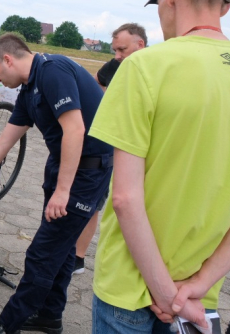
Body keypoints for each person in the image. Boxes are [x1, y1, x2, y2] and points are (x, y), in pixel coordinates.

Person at [89, 0, 230, 332]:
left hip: (128, 287)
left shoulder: (143, 66)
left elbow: (125, 198)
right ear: (225, 7)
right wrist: (197, 285)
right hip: (198, 294)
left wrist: (163, 291)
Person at [0, 34, 113, 334]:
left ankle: (5, 326)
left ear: (9, 60)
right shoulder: (28, 90)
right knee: (61, 250)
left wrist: (63, 191)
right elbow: (3, 143)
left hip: (86, 171)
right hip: (62, 165)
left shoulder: (53, 70)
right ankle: (50, 316)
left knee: (41, 253)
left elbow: (75, 129)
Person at [74, 22, 146, 274]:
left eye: (122, 49)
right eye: (115, 50)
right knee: (96, 199)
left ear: (141, 45)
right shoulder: (115, 65)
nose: (117, 56)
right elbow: (95, 84)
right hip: (109, 145)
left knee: (133, 203)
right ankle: (78, 258)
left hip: (141, 148)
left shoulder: (154, 69)